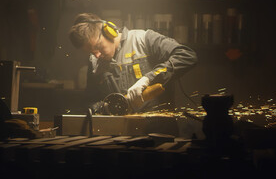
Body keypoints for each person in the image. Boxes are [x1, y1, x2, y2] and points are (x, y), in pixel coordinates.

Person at [68, 12, 197, 114]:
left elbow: (187, 55)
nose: (96, 55)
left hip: (158, 134)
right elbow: (90, 101)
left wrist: (148, 78)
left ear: (108, 31)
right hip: (120, 136)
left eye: (98, 47)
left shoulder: (144, 39)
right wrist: (102, 107)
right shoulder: (95, 62)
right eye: (91, 52)